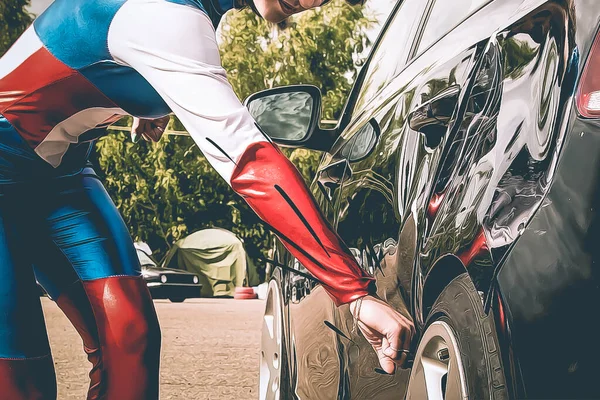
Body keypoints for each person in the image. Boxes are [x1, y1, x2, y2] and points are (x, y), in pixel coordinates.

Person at [0, 0, 414, 398]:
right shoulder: (167, 18)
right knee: (23, 375)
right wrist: (354, 294)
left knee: (130, 339)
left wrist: (145, 99)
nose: (313, 1)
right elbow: (250, 162)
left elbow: (99, 46)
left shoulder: (186, 17)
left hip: (62, 173)